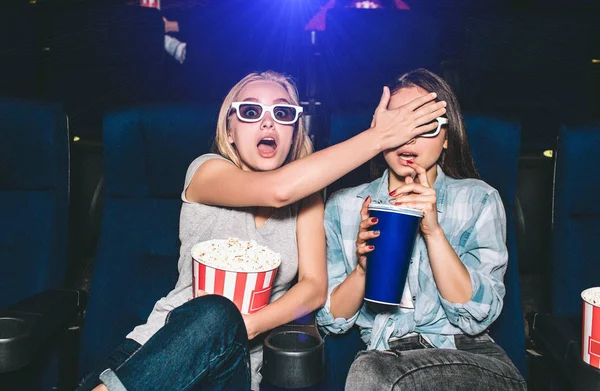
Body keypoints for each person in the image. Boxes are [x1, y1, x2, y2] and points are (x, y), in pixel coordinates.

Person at [77, 70, 447, 391]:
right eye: (251, 111)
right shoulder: (205, 172)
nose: (267, 123)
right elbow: (277, 190)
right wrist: (377, 138)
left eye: (282, 113)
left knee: (222, 316)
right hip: (149, 355)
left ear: (293, 129)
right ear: (231, 130)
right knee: (213, 313)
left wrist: (247, 326)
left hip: (233, 370)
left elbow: (314, 289)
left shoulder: (307, 200)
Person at [316, 68, 527, 390]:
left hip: (470, 357)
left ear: (446, 139)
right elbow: (332, 322)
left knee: (369, 372)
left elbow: (477, 316)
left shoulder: (477, 199)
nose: (409, 138)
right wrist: (362, 269)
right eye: (399, 125)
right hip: (385, 356)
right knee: (372, 368)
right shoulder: (344, 206)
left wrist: (433, 232)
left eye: (425, 125)